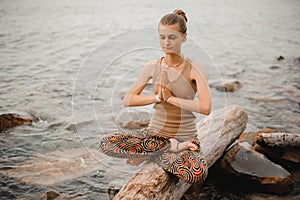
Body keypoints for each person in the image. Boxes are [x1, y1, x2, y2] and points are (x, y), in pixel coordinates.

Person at [99, 9, 212, 184]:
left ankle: (149, 155)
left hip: (184, 139)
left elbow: (205, 107)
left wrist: (170, 99)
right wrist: (157, 98)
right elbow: (129, 100)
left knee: (196, 173)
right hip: (153, 137)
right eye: (162, 37)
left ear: (184, 37)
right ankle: (158, 153)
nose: (166, 43)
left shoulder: (195, 68)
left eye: (172, 37)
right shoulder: (152, 66)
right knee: (106, 144)